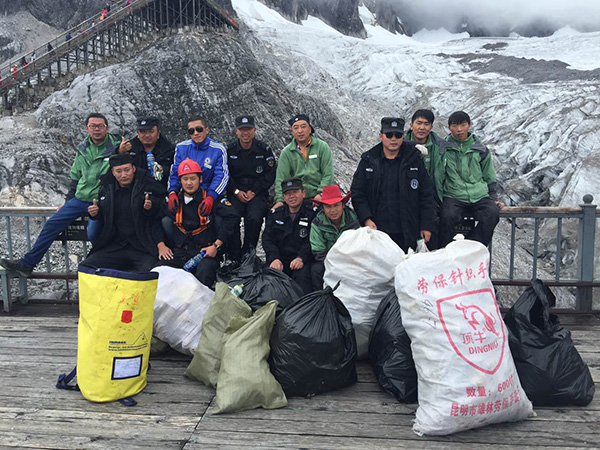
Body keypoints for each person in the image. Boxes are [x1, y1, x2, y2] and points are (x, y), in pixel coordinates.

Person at [0, 113, 122, 277]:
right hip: (79, 199)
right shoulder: (82, 149)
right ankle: (27, 264)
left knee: (94, 233)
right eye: (92, 126)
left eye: (100, 126)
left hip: (102, 200)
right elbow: (75, 177)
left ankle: (103, 268)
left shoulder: (117, 147)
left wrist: (119, 153)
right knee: (51, 225)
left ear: (107, 128)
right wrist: (67, 202)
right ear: (86, 129)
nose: (97, 129)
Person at [350, 117, 437, 253]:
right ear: (381, 136)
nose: (393, 139)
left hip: (407, 230)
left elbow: (426, 194)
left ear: (403, 136)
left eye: (398, 135)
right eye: (389, 135)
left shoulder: (414, 159)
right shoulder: (369, 160)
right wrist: (366, 219)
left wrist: (426, 225)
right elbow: (357, 193)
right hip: (377, 230)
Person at [80, 153, 172, 272]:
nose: (123, 175)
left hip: (142, 246)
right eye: (119, 171)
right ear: (113, 172)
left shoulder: (146, 184)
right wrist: (95, 213)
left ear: (133, 169)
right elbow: (104, 215)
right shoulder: (107, 188)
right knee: (87, 267)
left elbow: (157, 216)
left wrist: (151, 207)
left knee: (150, 271)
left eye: (127, 170)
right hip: (115, 246)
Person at [159, 159, 238, 287]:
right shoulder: (173, 201)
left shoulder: (210, 200)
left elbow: (232, 216)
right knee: (159, 272)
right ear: (180, 181)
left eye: (193, 178)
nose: (189, 183)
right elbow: (155, 221)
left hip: (205, 252)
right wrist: (161, 245)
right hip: (179, 252)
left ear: (200, 179)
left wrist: (216, 245)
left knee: (203, 275)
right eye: (185, 179)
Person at [438, 111, 504, 247]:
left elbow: (489, 174)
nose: (459, 129)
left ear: (469, 125)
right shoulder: (442, 149)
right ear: (449, 127)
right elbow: (438, 175)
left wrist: (493, 197)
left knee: (492, 213)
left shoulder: (481, 149)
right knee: (447, 216)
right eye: (455, 126)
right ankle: (447, 250)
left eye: (463, 125)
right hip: (453, 194)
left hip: (479, 194)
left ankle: (474, 247)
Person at [226, 115, 276, 261]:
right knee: (231, 216)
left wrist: (254, 191)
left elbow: (270, 173)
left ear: (254, 130)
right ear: (236, 131)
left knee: (254, 217)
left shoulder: (264, 150)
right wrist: (235, 191)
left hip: (257, 192)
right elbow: (224, 173)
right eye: (242, 130)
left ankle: (249, 252)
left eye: (248, 129)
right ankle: (233, 255)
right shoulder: (229, 150)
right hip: (236, 192)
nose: (245, 133)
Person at [262, 177, 317, 294]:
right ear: (283, 197)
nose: (291, 196)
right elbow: (267, 239)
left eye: (295, 192)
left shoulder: (312, 214)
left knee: (302, 284)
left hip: (301, 261)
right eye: (287, 193)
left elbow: (312, 240)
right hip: (280, 259)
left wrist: (301, 258)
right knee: (269, 284)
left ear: (303, 193)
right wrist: (274, 258)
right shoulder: (275, 214)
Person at [167, 116, 229, 217]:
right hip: (187, 193)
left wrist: (211, 196)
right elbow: (174, 173)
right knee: (166, 217)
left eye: (199, 129)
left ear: (207, 130)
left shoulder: (218, 149)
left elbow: (221, 176)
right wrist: (172, 192)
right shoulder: (181, 148)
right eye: (191, 131)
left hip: (209, 194)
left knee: (228, 216)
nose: (196, 133)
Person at [405, 108, 446, 249]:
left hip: (431, 198)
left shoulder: (439, 147)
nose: (422, 127)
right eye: (419, 123)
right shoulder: (400, 144)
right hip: (406, 197)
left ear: (431, 127)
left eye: (426, 124)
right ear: (411, 125)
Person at [273, 114, 333, 208]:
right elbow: (281, 178)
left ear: (310, 129)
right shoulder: (286, 152)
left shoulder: (322, 147)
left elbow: (328, 174)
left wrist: (321, 193)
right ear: (292, 132)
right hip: (296, 199)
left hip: (319, 197)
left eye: (303, 127)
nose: (300, 131)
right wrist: (280, 200)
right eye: (296, 128)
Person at [309, 184, 359, 290]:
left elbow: (359, 245)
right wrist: (334, 264)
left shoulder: (354, 220)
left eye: (336, 205)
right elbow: (318, 251)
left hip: (351, 259)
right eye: (328, 206)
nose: (333, 210)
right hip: (328, 261)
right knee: (316, 270)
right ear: (323, 208)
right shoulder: (317, 223)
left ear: (343, 205)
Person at [118, 116, 175, 190]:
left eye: (151, 131)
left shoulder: (169, 149)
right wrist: (119, 152)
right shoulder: (129, 148)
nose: (147, 135)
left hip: (161, 189)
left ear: (158, 133)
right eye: (143, 132)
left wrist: (163, 169)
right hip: (134, 190)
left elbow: (176, 172)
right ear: (138, 134)